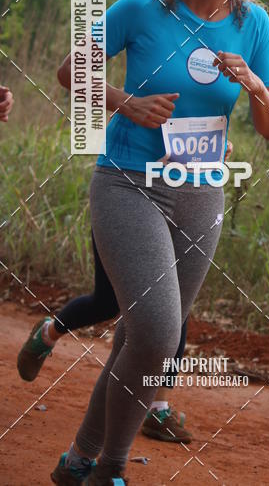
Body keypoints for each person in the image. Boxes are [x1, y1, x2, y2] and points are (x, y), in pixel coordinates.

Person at [48, 0, 269, 485]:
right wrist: (125, 102)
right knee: (156, 330)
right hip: (129, 181)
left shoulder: (253, 24)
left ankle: (79, 461)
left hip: (202, 190)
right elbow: (67, 70)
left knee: (141, 335)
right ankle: (111, 469)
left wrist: (253, 83)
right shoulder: (142, 8)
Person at [17, 128, 231, 442]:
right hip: (127, 194)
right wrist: (124, 108)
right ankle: (49, 332)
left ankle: (157, 406)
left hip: (188, 194)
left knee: (174, 306)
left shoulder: (227, 77)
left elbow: (216, 114)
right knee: (107, 302)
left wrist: (216, 145)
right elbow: (78, 83)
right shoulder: (142, 79)